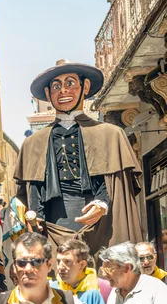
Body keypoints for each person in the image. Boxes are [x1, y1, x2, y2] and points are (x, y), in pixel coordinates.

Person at [14, 59, 143, 254]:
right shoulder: (33, 143)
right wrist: (36, 216)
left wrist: (102, 203)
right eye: (56, 86)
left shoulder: (111, 134)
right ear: (48, 94)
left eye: (70, 83)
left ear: (85, 87)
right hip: (53, 229)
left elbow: (117, 188)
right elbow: (32, 193)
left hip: (103, 226)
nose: (64, 91)